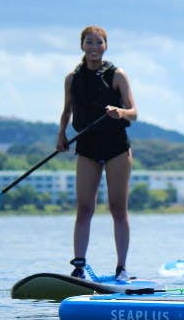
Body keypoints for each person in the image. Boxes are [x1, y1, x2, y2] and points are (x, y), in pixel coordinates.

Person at [56, 25, 137, 281]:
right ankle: (79, 265)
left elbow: (134, 112)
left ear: (105, 46)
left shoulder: (117, 74)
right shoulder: (72, 78)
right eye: (89, 42)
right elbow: (67, 111)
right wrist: (61, 135)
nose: (93, 47)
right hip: (87, 145)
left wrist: (120, 112)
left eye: (98, 42)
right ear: (82, 45)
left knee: (117, 207)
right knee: (84, 207)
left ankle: (122, 267)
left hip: (116, 147)